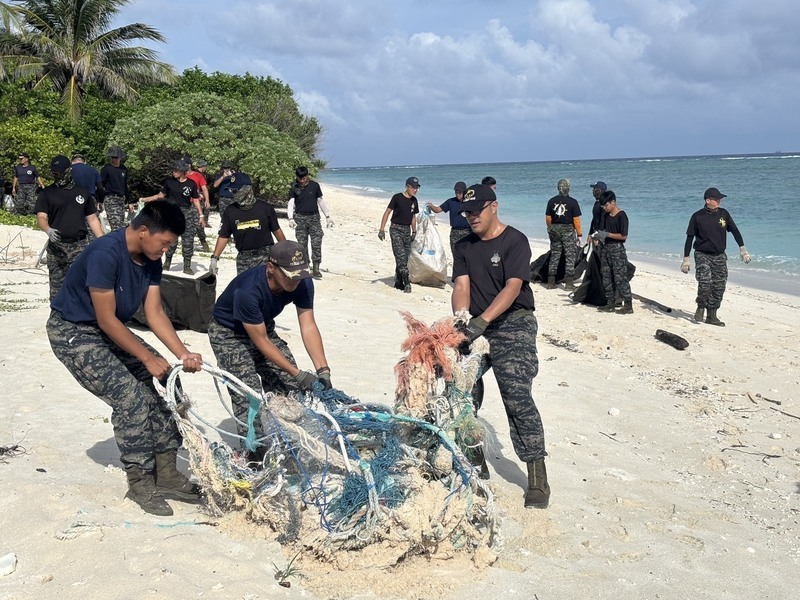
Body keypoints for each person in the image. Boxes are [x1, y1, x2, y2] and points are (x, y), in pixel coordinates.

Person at [46, 200, 204, 516]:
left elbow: (154, 312)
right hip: (74, 332)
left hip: (108, 330)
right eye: (165, 243)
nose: (166, 249)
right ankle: (140, 481)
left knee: (167, 384)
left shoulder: (150, 258)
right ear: (143, 231)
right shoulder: (105, 253)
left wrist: (182, 353)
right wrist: (146, 357)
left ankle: (167, 473)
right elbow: (106, 319)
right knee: (131, 399)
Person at [451, 183, 549, 509]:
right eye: (466, 212)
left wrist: (483, 321)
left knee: (516, 392)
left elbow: (513, 287)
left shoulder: (514, 241)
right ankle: (474, 458)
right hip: (477, 325)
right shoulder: (463, 245)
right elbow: (461, 286)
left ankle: (537, 477)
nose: (471, 217)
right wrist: (462, 320)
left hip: (514, 323)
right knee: (461, 388)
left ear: (494, 206)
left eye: (476, 210)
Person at [207, 240, 332, 461]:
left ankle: (289, 447)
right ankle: (254, 455)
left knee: (290, 389)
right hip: (229, 335)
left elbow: (308, 325)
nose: (295, 280)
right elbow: (262, 342)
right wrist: (299, 373)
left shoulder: (302, 281)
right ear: (271, 268)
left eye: (300, 275)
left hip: (263, 326)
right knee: (249, 397)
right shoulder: (249, 290)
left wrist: (323, 370)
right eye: (290, 275)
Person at [35, 155, 105, 299]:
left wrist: (103, 240)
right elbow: (41, 217)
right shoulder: (47, 193)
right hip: (57, 248)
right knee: (57, 292)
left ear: (69, 171)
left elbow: (92, 219)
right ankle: (57, 313)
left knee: (79, 288)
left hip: (79, 246)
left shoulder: (82, 192)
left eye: (60, 173)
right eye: (54, 173)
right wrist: (48, 229)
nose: (58, 176)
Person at [681, 187, 750, 326]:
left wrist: (743, 249)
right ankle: (701, 306)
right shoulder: (697, 216)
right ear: (708, 200)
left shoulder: (724, 214)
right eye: (716, 199)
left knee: (719, 286)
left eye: (720, 199)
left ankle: (711, 316)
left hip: (719, 256)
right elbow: (689, 238)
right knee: (705, 282)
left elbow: (735, 231)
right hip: (702, 254)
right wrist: (686, 259)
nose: (719, 201)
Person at [209, 175, 286, 275]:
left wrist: (286, 250)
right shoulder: (230, 211)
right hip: (243, 260)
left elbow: (276, 231)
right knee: (244, 285)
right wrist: (215, 258)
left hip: (265, 258)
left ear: (247, 189)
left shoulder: (265, 208)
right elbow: (224, 236)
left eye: (236, 190)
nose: (233, 193)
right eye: (232, 191)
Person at [139, 161, 204, 274]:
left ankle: (187, 265)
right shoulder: (169, 182)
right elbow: (160, 195)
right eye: (173, 170)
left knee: (188, 240)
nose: (173, 172)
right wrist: (145, 199)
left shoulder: (191, 184)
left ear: (182, 172)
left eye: (176, 170)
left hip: (187, 214)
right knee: (171, 239)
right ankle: (167, 262)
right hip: (172, 212)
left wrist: (201, 215)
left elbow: (196, 200)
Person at [287, 166, 333, 279]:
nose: (302, 181)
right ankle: (306, 267)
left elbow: (320, 201)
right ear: (297, 177)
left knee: (316, 243)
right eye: (300, 178)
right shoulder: (294, 187)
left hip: (314, 218)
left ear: (307, 176)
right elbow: (291, 203)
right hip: (300, 218)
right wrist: (290, 218)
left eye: (304, 178)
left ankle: (316, 268)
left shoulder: (315, 185)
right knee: (302, 245)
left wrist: (327, 216)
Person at [592, 190, 633, 314]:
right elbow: (601, 229)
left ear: (613, 202)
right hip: (605, 248)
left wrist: (607, 234)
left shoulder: (622, 216)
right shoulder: (605, 216)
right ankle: (610, 303)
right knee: (606, 276)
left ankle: (628, 305)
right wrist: (598, 237)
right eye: (603, 206)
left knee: (620, 278)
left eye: (606, 205)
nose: (605, 208)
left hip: (617, 250)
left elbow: (623, 236)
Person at [378, 176, 420, 293]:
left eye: (417, 188)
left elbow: (413, 217)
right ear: (407, 186)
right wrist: (382, 229)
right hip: (395, 229)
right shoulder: (397, 197)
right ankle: (406, 282)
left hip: (407, 230)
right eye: (413, 187)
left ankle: (398, 280)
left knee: (404, 257)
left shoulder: (414, 201)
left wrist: (414, 231)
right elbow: (387, 212)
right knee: (400, 255)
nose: (415, 190)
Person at [544, 178, 583, 290]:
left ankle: (551, 282)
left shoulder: (551, 201)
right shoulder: (573, 202)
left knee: (555, 254)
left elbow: (548, 218)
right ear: (568, 188)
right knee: (570, 256)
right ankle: (569, 283)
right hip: (568, 230)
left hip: (554, 230)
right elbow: (576, 220)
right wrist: (579, 235)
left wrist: (551, 229)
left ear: (558, 188)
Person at [426, 181, 471, 263]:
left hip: (468, 232)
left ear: (465, 192)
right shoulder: (451, 202)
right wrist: (431, 206)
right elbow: (438, 210)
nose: (457, 194)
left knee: (468, 256)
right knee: (456, 257)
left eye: (460, 192)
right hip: (454, 233)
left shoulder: (470, 202)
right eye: (456, 192)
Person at [100, 145, 132, 231]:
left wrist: (129, 201)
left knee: (121, 224)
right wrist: (100, 200)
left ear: (120, 158)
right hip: (111, 198)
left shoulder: (123, 169)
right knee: (116, 225)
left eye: (116, 157)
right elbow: (101, 185)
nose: (114, 159)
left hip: (121, 199)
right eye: (112, 157)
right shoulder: (106, 169)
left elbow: (125, 186)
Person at [185, 157, 211, 252]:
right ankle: (186, 245)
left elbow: (204, 188)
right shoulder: (181, 175)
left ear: (190, 165)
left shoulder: (197, 175)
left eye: (186, 164)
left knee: (198, 224)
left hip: (195, 203)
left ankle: (203, 241)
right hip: (184, 203)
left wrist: (207, 200)